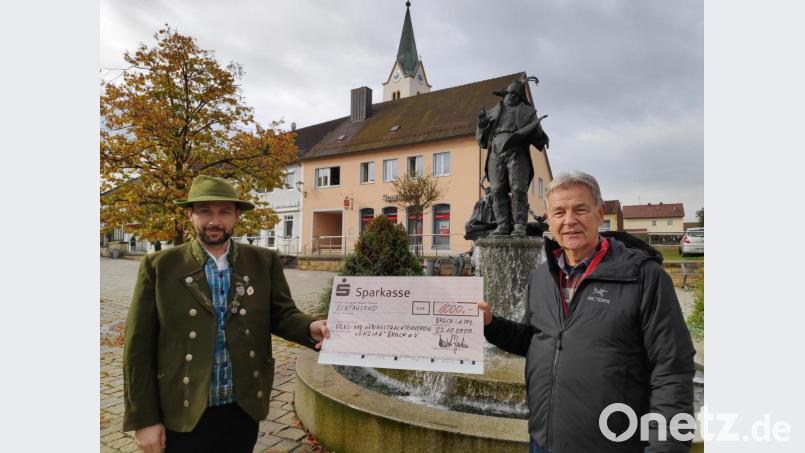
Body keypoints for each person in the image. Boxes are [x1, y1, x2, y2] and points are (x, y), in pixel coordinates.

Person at [479, 171, 695, 452]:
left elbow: (672, 371)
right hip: (544, 442)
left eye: (579, 209)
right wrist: (490, 324)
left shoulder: (644, 277)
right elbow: (536, 339)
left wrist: (666, 447)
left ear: (599, 213)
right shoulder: (544, 275)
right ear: (549, 219)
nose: (569, 221)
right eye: (559, 212)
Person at [123, 175, 330, 453]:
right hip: (183, 408)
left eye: (224, 212)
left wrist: (310, 327)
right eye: (205, 211)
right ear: (190, 214)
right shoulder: (160, 266)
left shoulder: (263, 261)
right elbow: (138, 347)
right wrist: (144, 419)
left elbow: (280, 314)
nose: (215, 221)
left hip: (242, 406)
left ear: (237, 217)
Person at [476, 79, 549, 237]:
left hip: (517, 153)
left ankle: (519, 225)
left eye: (516, 94)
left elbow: (538, 136)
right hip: (496, 153)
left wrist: (538, 131)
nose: (512, 96)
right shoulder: (492, 112)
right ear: (505, 94)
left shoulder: (528, 112)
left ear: (520, 98)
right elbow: (481, 140)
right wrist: (481, 126)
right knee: (496, 190)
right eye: (509, 93)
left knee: (518, 189)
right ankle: (502, 224)